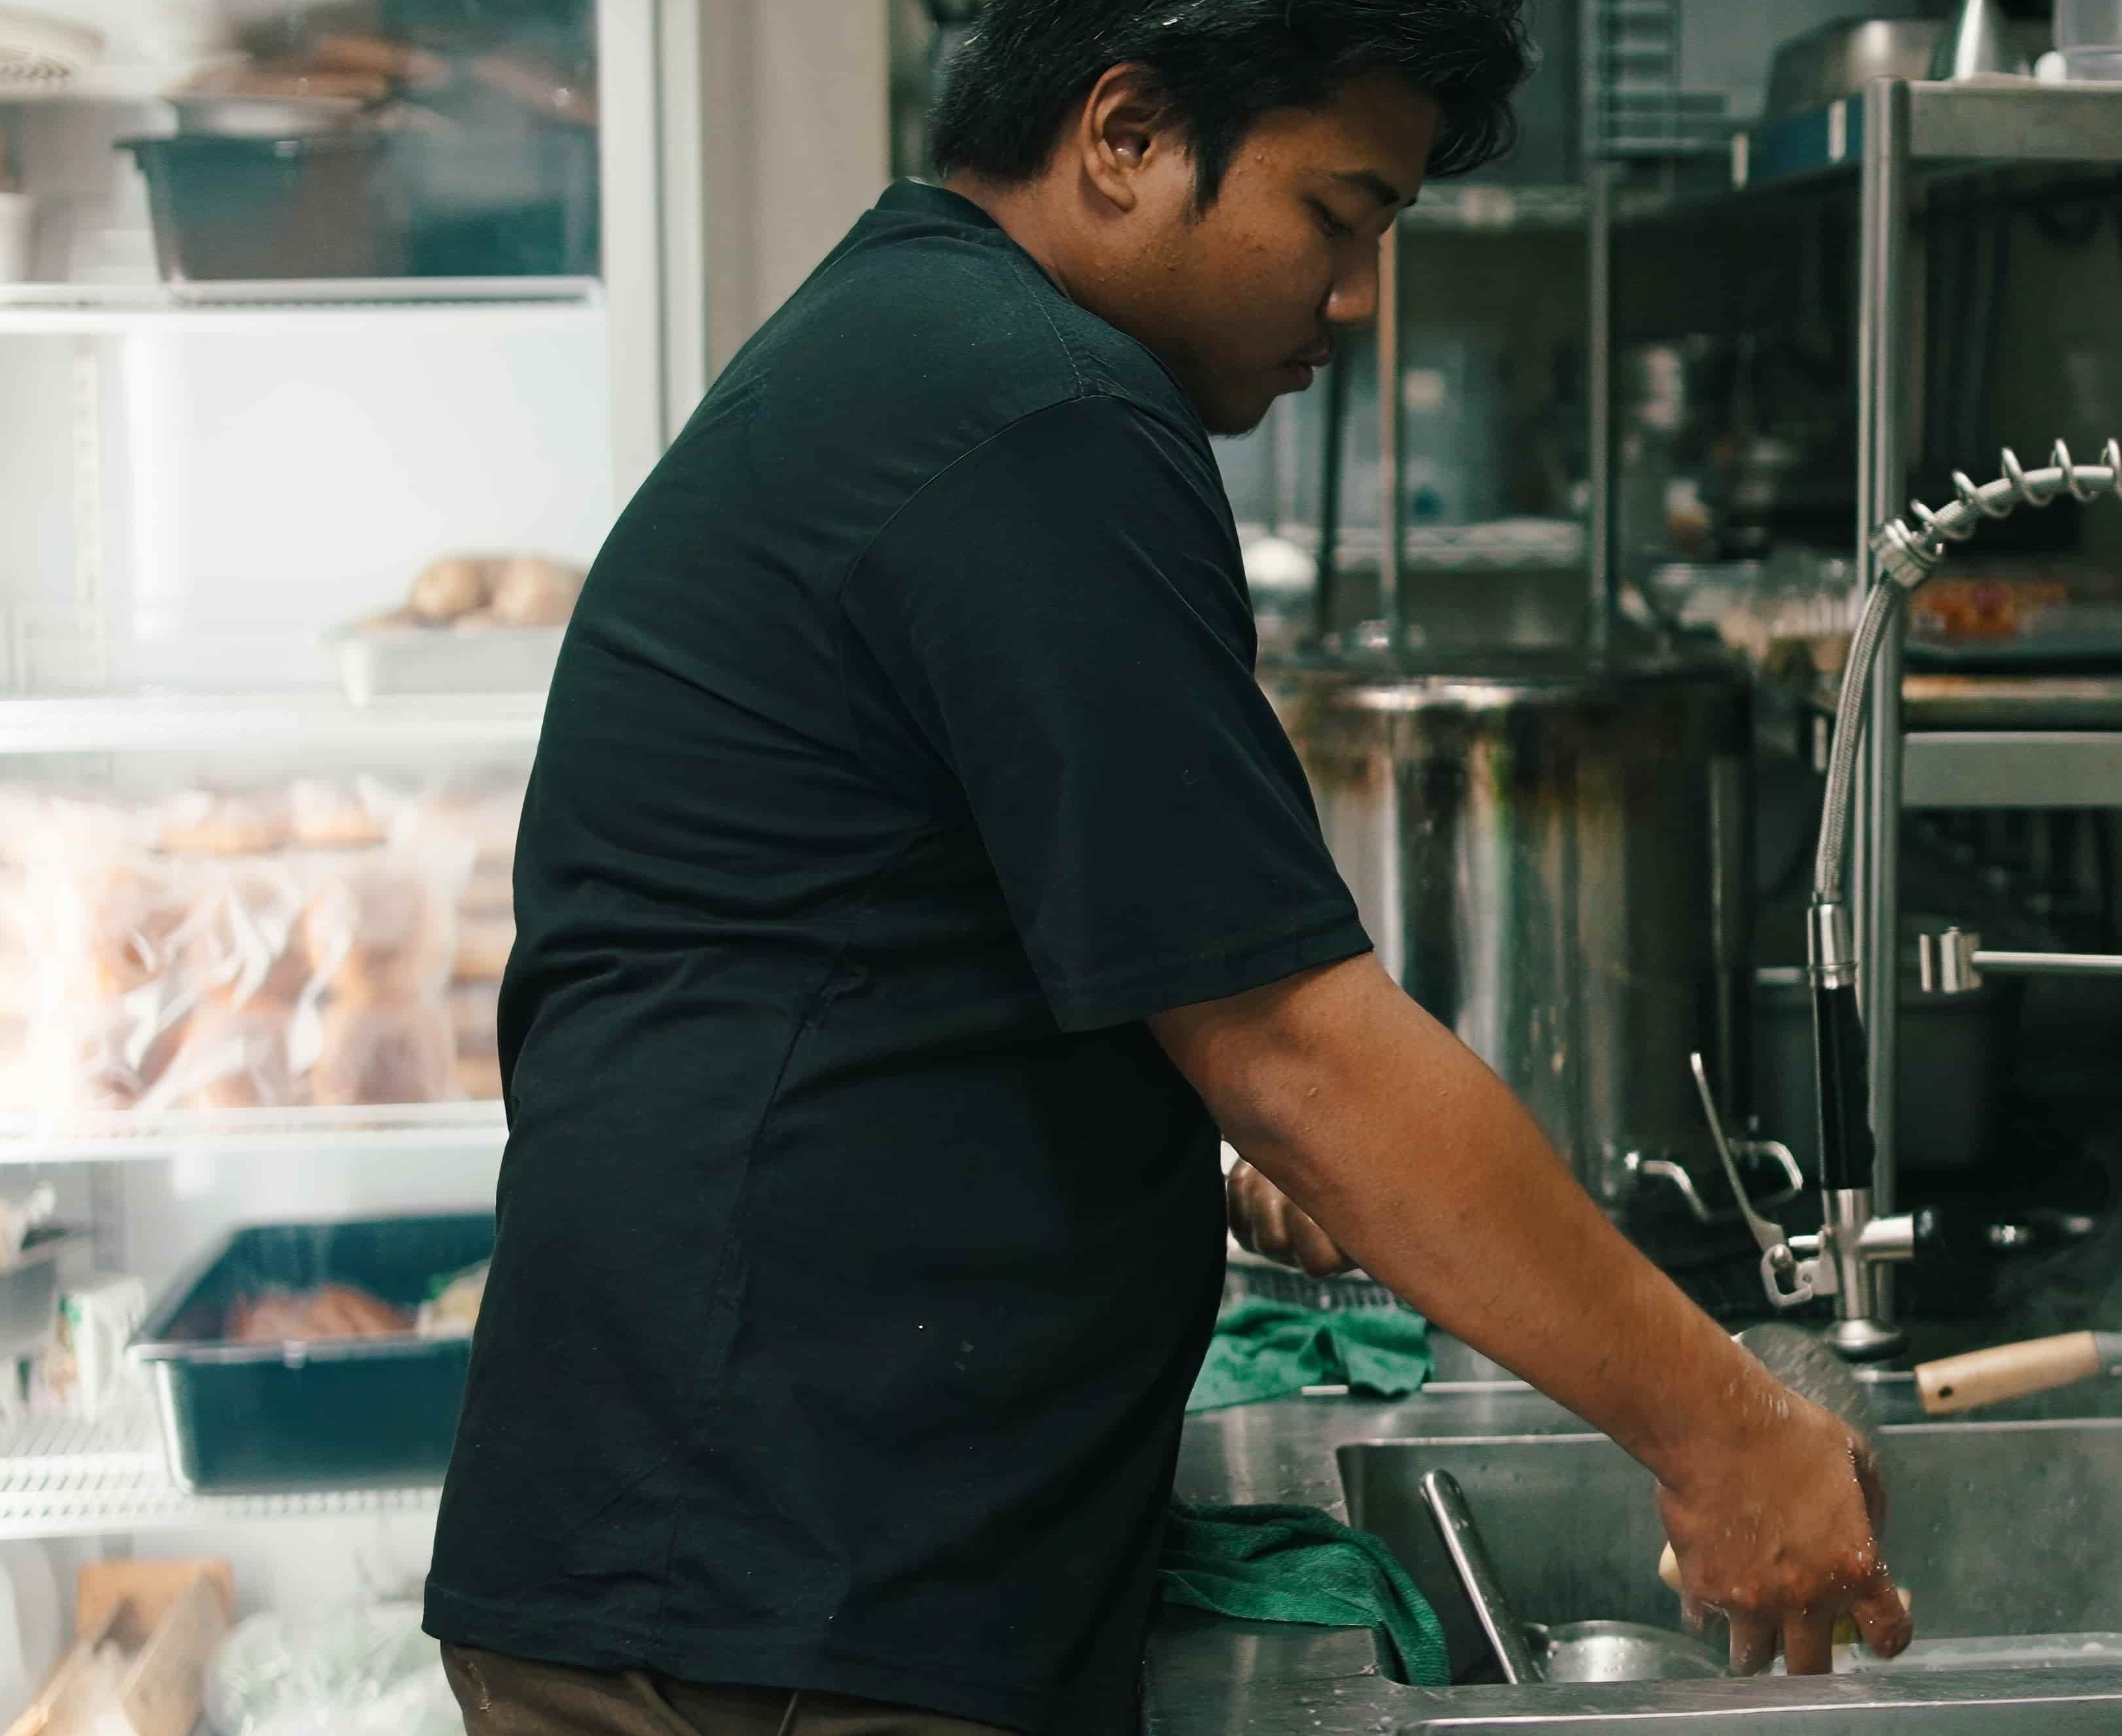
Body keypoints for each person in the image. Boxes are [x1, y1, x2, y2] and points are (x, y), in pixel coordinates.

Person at [420, 4, 1908, 1731]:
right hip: (776, 1601)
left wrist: (1132, 1140)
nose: (1355, 300)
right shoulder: (1044, 412)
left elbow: (866, 948)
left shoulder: (923, 344)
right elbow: (1296, 1050)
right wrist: (1726, 1432)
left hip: (720, 1560)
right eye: (1337, 216)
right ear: (1123, 138)